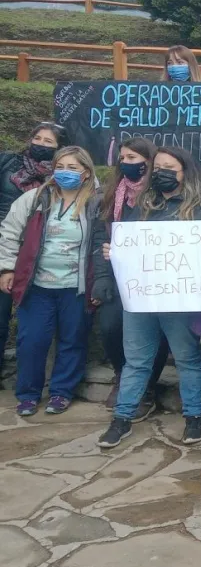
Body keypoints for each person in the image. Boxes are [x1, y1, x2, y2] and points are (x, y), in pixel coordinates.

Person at [97, 147, 201, 448]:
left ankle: (194, 416)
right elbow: (126, 246)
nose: (161, 173)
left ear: (184, 172)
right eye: (157, 168)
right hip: (141, 300)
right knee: (136, 361)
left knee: (187, 358)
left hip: (180, 302)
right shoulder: (142, 207)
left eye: (169, 168)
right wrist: (114, 251)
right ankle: (122, 418)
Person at [0, 145, 98, 416]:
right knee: (31, 340)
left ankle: (61, 392)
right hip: (37, 285)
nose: (65, 172)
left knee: (72, 340)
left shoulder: (95, 203)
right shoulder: (35, 198)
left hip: (77, 287)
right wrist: (6, 268)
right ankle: (28, 394)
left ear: (86, 172)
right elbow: (9, 232)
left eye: (72, 168)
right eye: (60, 167)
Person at [91, 138, 167, 418]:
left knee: (155, 333)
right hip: (118, 276)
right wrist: (102, 276)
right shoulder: (112, 195)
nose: (126, 163)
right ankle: (122, 375)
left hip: (155, 276)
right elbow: (100, 236)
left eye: (133, 158)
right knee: (110, 326)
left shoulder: (162, 194)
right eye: (122, 158)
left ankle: (148, 386)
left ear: (149, 161)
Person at [0, 122, 68, 380]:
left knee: (37, 320)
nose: (40, 144)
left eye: (48, 141)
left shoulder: (65, 174)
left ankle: (43, 379)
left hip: (42, 252)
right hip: (6, 242)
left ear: (60, 148)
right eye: (37, 138)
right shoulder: (7, 162)